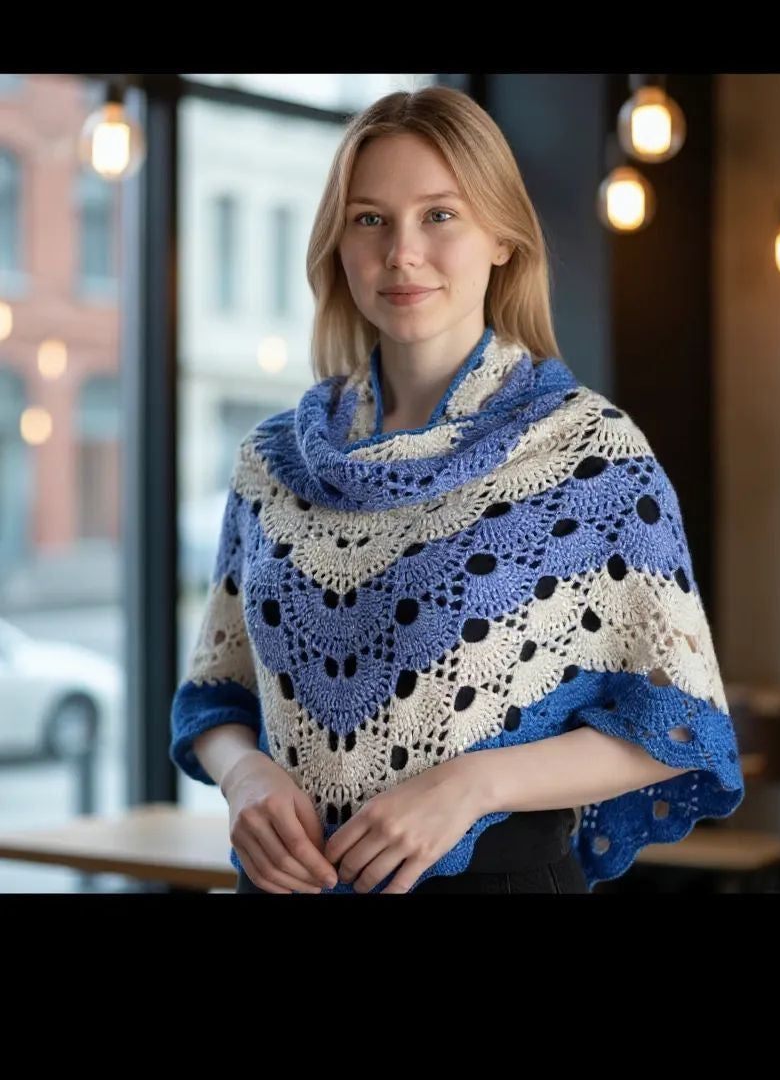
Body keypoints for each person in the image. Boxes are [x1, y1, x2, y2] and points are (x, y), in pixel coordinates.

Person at [170, 85, 745, 895]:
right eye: (369, 219)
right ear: (338, 244)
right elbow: (212, 697)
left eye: (439, 215)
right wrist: (243, 777)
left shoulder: (587, 455)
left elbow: (675, 723)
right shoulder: (271, 463)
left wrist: (473, 786)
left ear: (502, 238)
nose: (402, 252)